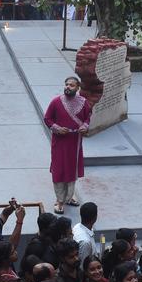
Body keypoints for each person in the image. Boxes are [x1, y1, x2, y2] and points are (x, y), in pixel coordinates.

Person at [44, 77, 92, 214]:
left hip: (75, 142)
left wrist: (85, 126)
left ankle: (69, 197)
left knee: (72, 170)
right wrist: (57, 128)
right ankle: (60, 200)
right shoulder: (56, 102)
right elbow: (47, 119)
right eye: (66, 84)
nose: (68, 87)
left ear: (78, 88)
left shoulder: (83, 103)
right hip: (59, 143)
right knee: (59, 170)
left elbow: (88, 116)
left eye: (71, 85)